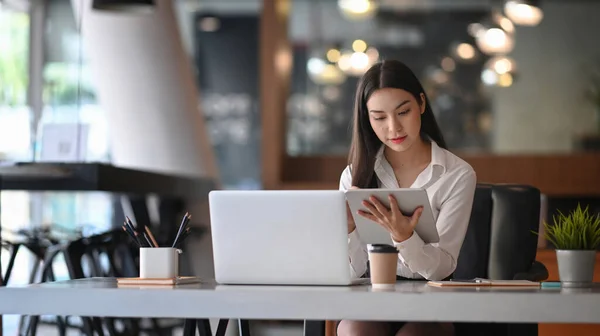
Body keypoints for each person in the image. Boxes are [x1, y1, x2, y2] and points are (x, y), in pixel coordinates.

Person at [336, 60, 477, 336]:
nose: (394, 128)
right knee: (355, 329)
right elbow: (350, 275)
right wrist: (348, 230)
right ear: (367, 119)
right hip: (372, 301)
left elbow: (442, 268)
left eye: (403, 112)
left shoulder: (456, 174)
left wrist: (405, 238)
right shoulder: (355, 175)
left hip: (432, 305)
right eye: (379, 117)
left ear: (421, 104)